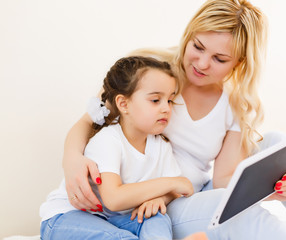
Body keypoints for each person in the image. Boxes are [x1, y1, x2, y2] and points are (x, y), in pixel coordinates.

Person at [61, 0, 286, 239]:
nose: (202, 64)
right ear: (189, 35)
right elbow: (90, 121)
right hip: (158, 203)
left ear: (239, 63)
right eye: (198, 47)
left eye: (219, 59)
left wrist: (271, 189)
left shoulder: (235, 103)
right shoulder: (150, 72)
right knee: (235, 214)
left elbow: (223, 181)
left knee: (277, 142)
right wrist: (72, 159)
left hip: (195, 192)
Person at [40, 56, 208, 240]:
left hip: (114, 219)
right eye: (155, 100)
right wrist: (172, 183)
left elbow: (178, 190)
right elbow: (114, 199)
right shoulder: (107, 140)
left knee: (155, 217)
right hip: (67, 218)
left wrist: (160, 199)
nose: (166, 108)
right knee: (118, 237)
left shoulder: (160, 145)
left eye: (169, 100)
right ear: (123, 104)